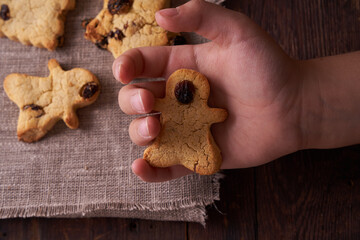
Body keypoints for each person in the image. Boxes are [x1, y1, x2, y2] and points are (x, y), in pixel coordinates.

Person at [111, 0, 360, 182]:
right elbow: (212, 114)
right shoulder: (169, 102)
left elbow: (214, 115)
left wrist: (295, 100)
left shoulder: (188, 95)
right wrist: (297, 99)